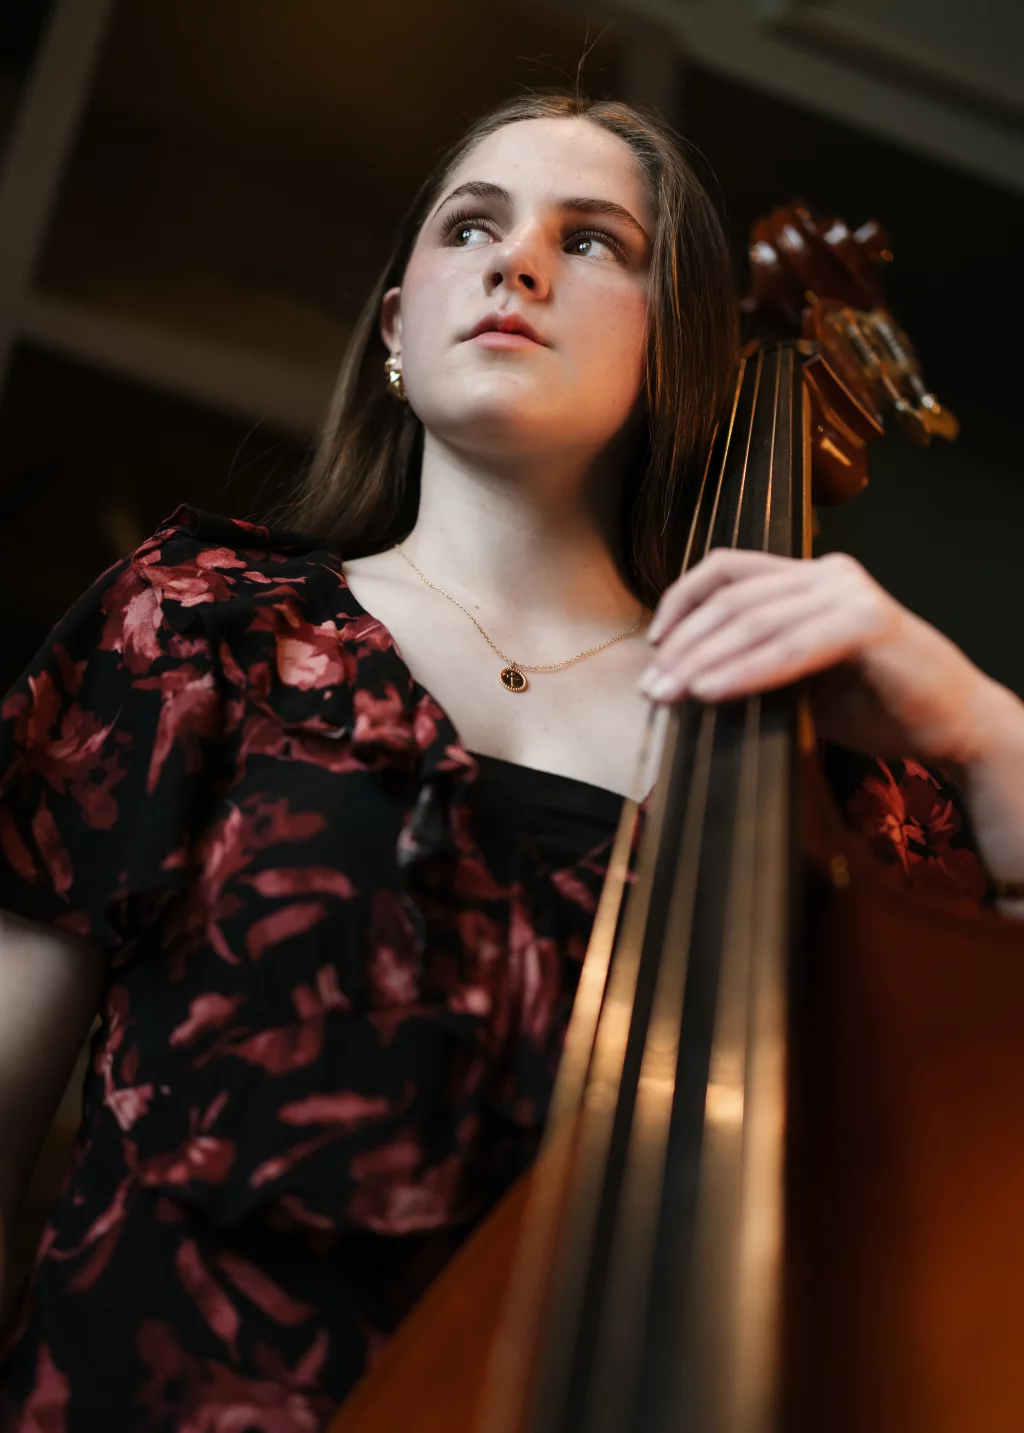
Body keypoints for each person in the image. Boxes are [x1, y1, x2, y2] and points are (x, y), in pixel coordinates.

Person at [0, 90, 1022, 1432]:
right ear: (394, 329)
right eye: (472, 223)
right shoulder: (199, 625)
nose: (518, 260)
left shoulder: (811, 762)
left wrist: (984, 734)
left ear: (676, 353)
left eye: (594, 242)